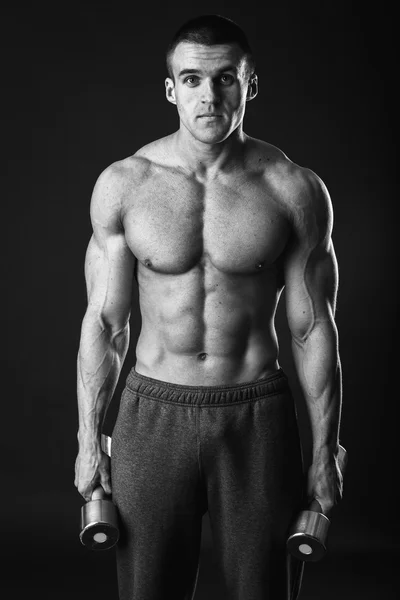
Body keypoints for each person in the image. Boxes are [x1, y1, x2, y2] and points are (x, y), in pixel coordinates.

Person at [74, 13, 343, 600]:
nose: (209, 95)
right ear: (171, 89)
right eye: (192, 79)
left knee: (263, 590)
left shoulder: (292, 189)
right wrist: (88, 442)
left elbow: (312, 327)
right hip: (152, 413)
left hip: (257, 415)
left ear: (250, 85)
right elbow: (105, 322)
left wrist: (325, 452)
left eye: (226, 79)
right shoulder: (126, 184)